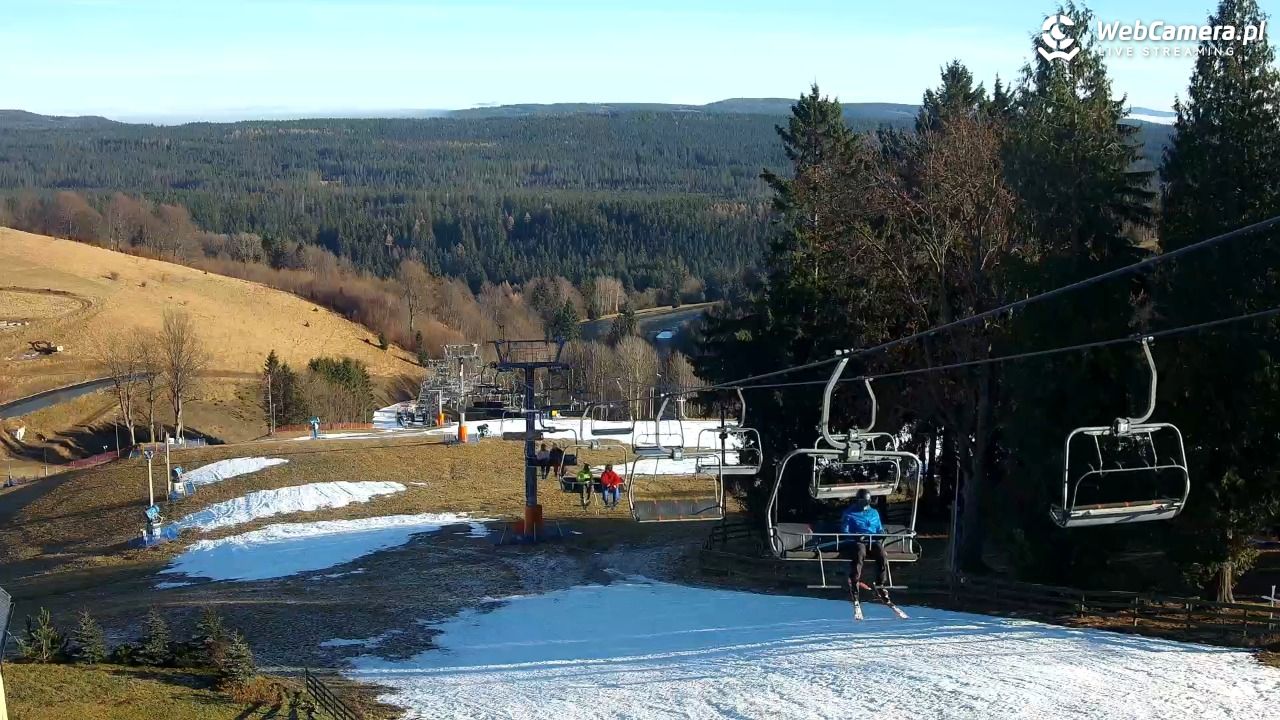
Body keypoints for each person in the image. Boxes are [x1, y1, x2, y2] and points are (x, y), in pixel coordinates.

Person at [839, 488, 889, 601]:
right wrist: (855, 536)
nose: (864, 504)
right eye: (862, 502)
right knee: (860, 552)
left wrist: (882, 533)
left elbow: (879, 529)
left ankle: (880, 584)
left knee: (882, 554)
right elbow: (844, 531)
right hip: (857, 541)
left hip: (872, 540)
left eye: (866, 502)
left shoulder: (874, 513)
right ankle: (854, 582)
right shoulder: (849, 513)